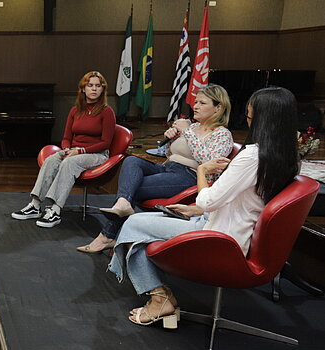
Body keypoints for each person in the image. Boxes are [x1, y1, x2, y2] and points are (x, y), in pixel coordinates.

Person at [108, 87, 300, 328]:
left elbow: (207, 199)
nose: (247, 121)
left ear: (263, 120)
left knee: (133, 224)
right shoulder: (286, 157)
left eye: (250, 117)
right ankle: (158, 295)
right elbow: (240, 202)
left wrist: (202, 171)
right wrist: (196, 211)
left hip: (219, 236)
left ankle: (159, 298)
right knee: (146, 221)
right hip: (226, 225)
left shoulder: (251, 157)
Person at [79, 84, 234, 253]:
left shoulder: (222, 134)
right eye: (195, 102)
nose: (195, 106)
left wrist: (188, 133)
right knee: (132, 161)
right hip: (168, 167)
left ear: (218, 107)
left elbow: (209, 162)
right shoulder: (192, 127)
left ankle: (107, 236)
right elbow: (171, 154)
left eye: (202, 103)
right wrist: (171, 140)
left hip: (190, 177)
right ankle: (122, 206)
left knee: (132, 187)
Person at [11, 71, 116, 228]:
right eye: (90, 85)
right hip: (74, 151)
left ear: (102, 89)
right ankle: (35, 205)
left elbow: (105, 143)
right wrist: (67, 149)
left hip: (96, 154)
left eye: (98, 86)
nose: (94, 89)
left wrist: (79, 151)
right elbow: (66, 137)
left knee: (69, 163)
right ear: (83, 89)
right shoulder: (75, 110)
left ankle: (55, 210)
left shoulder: (107, 112)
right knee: (51, 160)